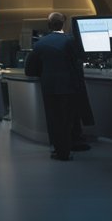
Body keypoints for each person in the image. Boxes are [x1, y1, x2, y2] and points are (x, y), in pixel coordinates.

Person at [24, 12, 87, 161]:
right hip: (69, 86)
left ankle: (59, 151)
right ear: (63, 24)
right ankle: (69, 148)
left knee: (54, 119)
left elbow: (30, 68)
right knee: (68, 119)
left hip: (49, 87)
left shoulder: (40, 44)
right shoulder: (71, 41)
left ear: (49, 25)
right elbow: (79, 62)